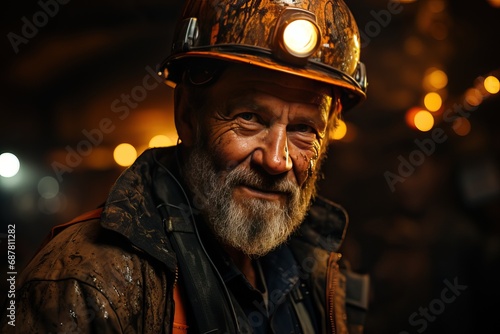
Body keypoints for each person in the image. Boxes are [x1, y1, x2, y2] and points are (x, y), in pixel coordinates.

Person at [2, 0, 369, 333]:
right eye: (250, 117)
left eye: (303, 129)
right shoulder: (85, 280)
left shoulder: (319, 271)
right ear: (187, 116)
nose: (276, 160)